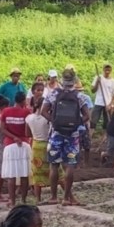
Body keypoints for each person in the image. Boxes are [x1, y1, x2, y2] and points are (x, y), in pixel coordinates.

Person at [41, 69, 90, 206]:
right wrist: (76, 124)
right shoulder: (80, 96)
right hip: (72, 136)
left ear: (62, 80)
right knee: (70, 166)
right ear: (74, 81)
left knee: (54, 165)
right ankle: (66, 198)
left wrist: (54, 121)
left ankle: (53, 197)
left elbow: (43, 111)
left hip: (56, 134)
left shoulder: (53, 94)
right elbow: (87, 116)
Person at [26, 95, 65, 203]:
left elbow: (27, 133)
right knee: (58, 171)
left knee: (37, 173)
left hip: (36, 145)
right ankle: (67, 195)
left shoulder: (29, 118)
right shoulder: (49, 118)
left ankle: (38, 199)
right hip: (49, 144)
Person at [1, 92, 33, 207]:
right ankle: (23, 200)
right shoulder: (26, 113)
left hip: (10, 145)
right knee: (24, 175)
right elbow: (28, 131)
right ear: (23, 101)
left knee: (11, 175)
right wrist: (20, 137)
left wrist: (13, 137)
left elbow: (2, 129)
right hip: (24, 144)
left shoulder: (6, 111)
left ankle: (12, 201)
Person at [90, 64, 114, 135]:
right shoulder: (98, 77)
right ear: (103, 69)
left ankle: (105, 139)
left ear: (111, 70)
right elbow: (93, 90)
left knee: (107, 123)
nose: (107, 71)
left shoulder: (113, 81)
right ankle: (89, 138)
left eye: (109, 69)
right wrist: (97, 82)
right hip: (98, 103)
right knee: (93, 121)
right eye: (106, 69)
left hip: (108, 104)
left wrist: (111, 104)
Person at [75, 79, 94, 167]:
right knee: (79, 146)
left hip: (82, 124)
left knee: (85, 146)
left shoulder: (86, 98)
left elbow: (89, 111)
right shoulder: (74, 98)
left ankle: (84, 164)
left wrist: (88, 123)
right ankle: (80, 164)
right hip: (78, 124)